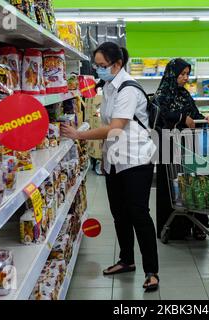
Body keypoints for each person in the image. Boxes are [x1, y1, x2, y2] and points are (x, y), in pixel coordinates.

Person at [61, 42, 160, 292]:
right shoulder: (108, 87)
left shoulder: (128, 89)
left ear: (117, 64)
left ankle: (152, 271)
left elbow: (115, 127)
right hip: (115, 160)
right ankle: (127, 260)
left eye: (103, 66)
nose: (99, 70)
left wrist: (79, 136)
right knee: (119, 214)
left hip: (136, 159)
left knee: (139, 214)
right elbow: (106, 124)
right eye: (97, 66)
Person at [154, 58, 209, 241]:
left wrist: (205, 118)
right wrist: (181, 118)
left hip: (189, 145)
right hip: (169, 147)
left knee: (192, 184)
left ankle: (197, 225)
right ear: (173, 74)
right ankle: (171, 228)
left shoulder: (185, 94)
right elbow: (160, 117)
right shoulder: (161, 95)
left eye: (187, 74)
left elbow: (194, 114)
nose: (185, 78)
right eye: (182, 74)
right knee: (171, 186)